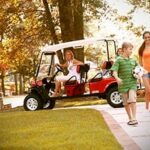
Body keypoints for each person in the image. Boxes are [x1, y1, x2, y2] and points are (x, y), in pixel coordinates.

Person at [111, 42, 138, 125]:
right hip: (123, 84)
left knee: (132, 100)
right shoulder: (119, 60)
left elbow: (138, 69)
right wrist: (117, 78)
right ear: (124, 49)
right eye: (130, 49)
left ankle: (134, 118)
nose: (131, 51)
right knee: (126, 103)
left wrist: (139, 76)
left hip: (132, 83)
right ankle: (130, 118)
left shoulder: (133, 60)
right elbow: (114, 71)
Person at [138, 31, 150, 111]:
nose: (147, 39)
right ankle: (146, 106)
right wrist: (141, 71)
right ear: (143, 38)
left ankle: (147, 107)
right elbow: (140, 62)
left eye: (149, 37)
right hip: (145, 72)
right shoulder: (141, 49)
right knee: (148, 90)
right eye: (145, 37)